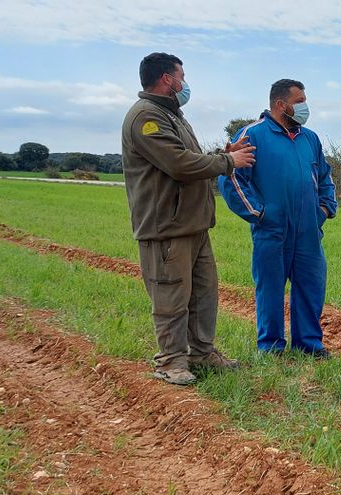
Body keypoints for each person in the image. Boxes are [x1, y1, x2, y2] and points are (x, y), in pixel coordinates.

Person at [122, 52, 256, 385]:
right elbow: (180, 164)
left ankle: (201, 353)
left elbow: (192, 159)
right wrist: (228, 162)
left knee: (203, 294)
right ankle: (170, 361)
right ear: (168, 78)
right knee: (171, 295)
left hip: (193, 224)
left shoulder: (173, 116)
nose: (185, 82)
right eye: (182, 75)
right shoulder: (145, 118)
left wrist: (223, 154)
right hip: (166, 227)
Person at [218, 79, 337, 359]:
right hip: (271, 231)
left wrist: (324, 210)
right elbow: (232, 178)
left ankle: (309, 345)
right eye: (300, 101)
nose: (306, 107)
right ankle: (271, 347)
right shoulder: (253, 135)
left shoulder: (311, 138)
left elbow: (325, 177)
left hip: (308, 231)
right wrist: (259, 213)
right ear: (281, 105)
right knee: (270, 289)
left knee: (311, 287)